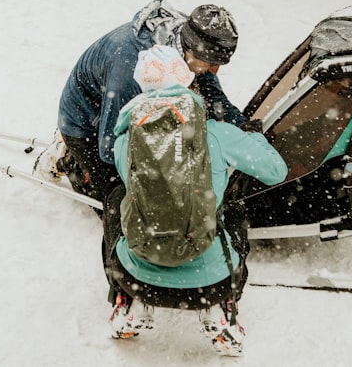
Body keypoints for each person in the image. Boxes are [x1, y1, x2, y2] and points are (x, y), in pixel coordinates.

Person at [101, 46, 288, 356]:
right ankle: (222, 308)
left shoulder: (125, 140)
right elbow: (275, 171)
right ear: (187, 82)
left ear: (142, 87)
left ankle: (126, 302)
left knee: (118, 199)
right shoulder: (216, 133)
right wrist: (249, 136)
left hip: (136, 277)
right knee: (233, 211)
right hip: (210, 282)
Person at [35, 0, 249, 206]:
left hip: (124, 105)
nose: (215, 70)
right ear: (191, 49)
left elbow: (210, 91)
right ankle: (70, 159)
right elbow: (111, 149)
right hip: (88, 123)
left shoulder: (192, 37)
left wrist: (243, 128)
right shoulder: (132, 71)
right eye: (211, 63)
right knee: (122, 205)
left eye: (220, 63)